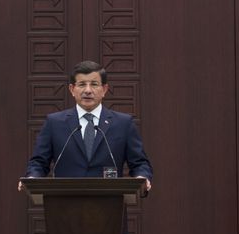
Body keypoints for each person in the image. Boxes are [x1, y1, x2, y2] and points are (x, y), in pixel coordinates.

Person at [19, 60, 152, 190]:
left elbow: (139, 163)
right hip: (63, 204)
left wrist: (142, 177)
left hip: (110, 203)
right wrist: (32, 178)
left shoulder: (123, 123)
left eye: (94, 84)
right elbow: (39, 162)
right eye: (82, 84)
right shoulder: (54, 123)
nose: (88, 90)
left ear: (104, 89)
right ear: (72, 89)